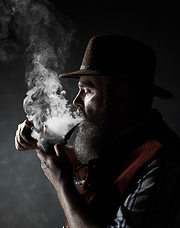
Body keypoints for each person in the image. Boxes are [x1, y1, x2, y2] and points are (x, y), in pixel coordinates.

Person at [15, 35, 180, 228]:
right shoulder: (120, 144)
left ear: (122, 97)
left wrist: (62, 184)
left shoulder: (164, 163)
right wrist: (40, 142)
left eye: (87, 90)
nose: (76, 101)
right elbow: (82, 166)